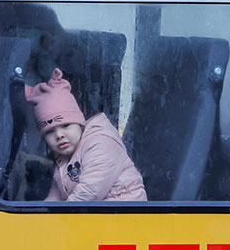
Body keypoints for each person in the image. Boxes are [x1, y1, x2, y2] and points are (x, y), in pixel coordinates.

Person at [25, 68, 146, 202]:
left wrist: (61, 217)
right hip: (97, 215)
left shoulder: (100, 142)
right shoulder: (62, 160)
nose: (59, 135)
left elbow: (90, 191)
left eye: (65, 126)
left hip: (126, 214)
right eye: (49, 132)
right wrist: (43, 218)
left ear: (79, 124)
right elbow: (56, 197)